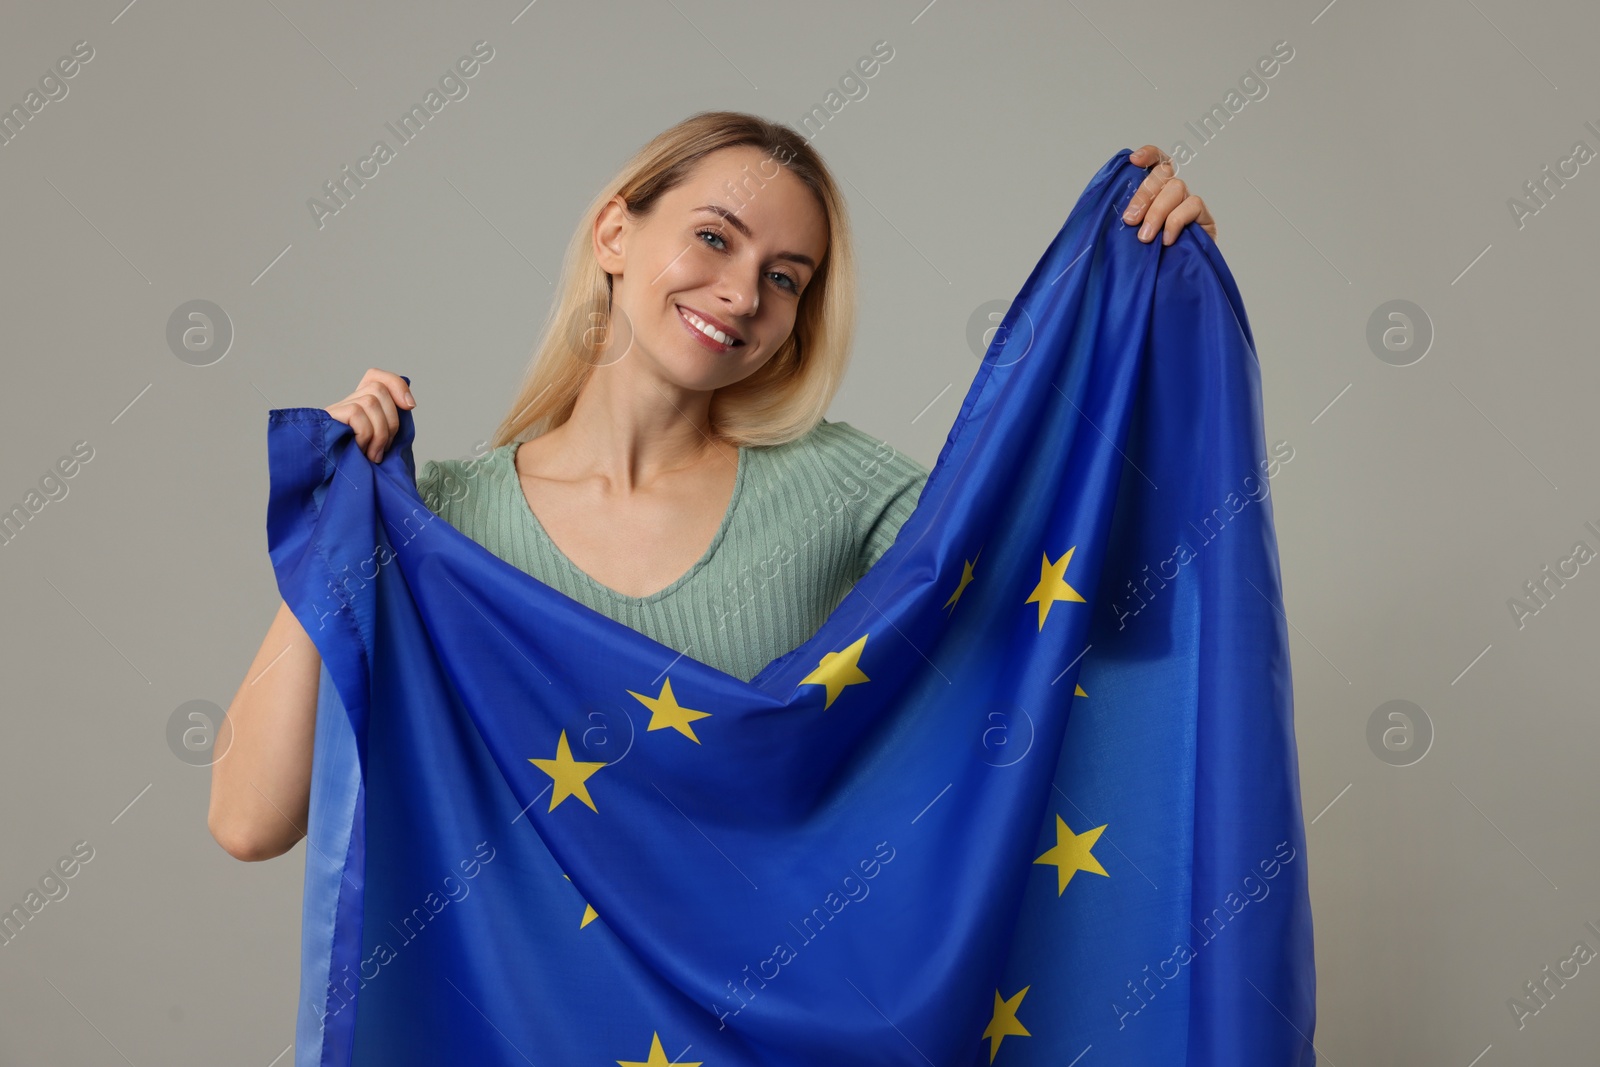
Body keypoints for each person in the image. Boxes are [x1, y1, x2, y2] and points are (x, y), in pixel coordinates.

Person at [208, 110, 1215, 862]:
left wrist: (1155, 321)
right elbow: (250, 818)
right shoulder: (444, 520)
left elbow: (1111, 610)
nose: (741, 293)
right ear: (615, 232)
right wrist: (341, 514)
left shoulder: (841, 489)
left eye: (786, 276)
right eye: (714, 237)